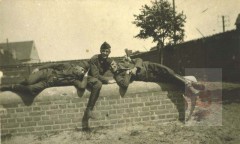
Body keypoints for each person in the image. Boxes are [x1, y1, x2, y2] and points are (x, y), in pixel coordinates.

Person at [110, 57, 205, 96]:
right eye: (111, 67)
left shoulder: (124, 61)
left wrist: (135, 68)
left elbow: (139, 59)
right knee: (168, 79)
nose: (113, 66)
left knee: (169, 72)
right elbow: (124, 85)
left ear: (115, 62)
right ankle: (191, 84)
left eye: (113, 64)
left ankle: (189, 85)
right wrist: (128, 74)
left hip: (149, 66)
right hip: (148, 76)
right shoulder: (118, 76)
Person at [0, 62, 89, 95]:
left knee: (31, 90)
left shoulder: (74, 80)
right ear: (78, 66)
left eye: (83, 72)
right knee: (28, 81)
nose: (82, 72)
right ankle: (9, 85)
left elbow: (81, 87)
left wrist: (85, 77)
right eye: (82, 69)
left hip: (47, 83)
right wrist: (39, 68)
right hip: (45, 73)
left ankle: (10, 87)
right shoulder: (67, 66)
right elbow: (53, 65)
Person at [83, 41, 116, 120]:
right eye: (103, 51)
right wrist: (107, 81)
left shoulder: (109, 60)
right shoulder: (95, 59)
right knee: (98, 84)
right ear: (100, 51)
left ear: (109, 52)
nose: (105, 53)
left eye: (107, 51)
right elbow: (95, 75)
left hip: (93, 78)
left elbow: (116, 69)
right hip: (86, 76)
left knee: (98, 82)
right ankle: (89, 110)